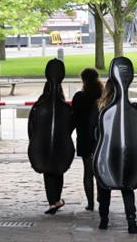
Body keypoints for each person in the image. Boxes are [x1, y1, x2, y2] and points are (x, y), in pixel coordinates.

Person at [94, 79, 137, 234]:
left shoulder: (102, 110)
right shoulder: (132, 110)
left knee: (104, 186)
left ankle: (104, 219)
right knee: (127, 187)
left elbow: (96, 134)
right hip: (127, 152)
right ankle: (131, 221)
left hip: (107, 152)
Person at [28, 59, 75, 215]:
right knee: (58, 171)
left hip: (44, 144)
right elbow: (70, 126)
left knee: (49, 172)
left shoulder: (39, 105)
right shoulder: (65, 108)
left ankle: (53, 201)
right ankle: (56, 200)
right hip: (60, 144)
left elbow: (32, 126)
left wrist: (35, 141)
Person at [72, 68, 103, 211]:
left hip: (84, 137)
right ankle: (102, 197)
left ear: (83, 80)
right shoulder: (102, 96)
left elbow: (74, 119)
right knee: (100, 170)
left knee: (87, 171)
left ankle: (90, 203)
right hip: (100, 138)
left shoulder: (79, 97)